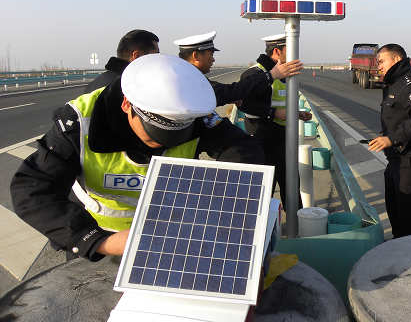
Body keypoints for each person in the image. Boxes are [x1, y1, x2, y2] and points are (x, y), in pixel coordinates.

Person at [11, 54, 264, 260]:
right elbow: (32, 189)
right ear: (126, 106)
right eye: (155, 133)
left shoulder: (197, 117)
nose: (163, 143)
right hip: (100, 243)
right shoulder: (79, 121)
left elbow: (245, 154)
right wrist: (102, 242)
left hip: (171, 241)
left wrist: (223, 212)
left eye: (175, 136)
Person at [367, 44, 411, 238]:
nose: (378, 66)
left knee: (410, 217)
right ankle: (398, 249)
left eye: (381, 61)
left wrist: (391, 139)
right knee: (395, 211)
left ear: (396, 59)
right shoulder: (394, 83)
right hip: (397, 159)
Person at [239, 34, 311, 209]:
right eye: (291, 49)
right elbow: (245, 104)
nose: (295, 54)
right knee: (263, 193)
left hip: (285, 141)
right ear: (277, 51)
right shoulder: (254, 74)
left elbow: (281, 102)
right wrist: (274, 113)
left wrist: (297, 113)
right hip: (262, 141)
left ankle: (296, 228)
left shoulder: (286, 75)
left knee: (291, 188)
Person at [175, 31, 303, 106]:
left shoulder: (188, 77)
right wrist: (271, 76)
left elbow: (226, 92)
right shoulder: (187, 81)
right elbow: (229, 92)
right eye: (211, 54)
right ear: (196, 55)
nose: (213, 59)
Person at [84, 29, 159, 93]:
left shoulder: (94, 84)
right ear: (136, 56)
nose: (158, 60)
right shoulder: (130, 88)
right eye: (155, 55)